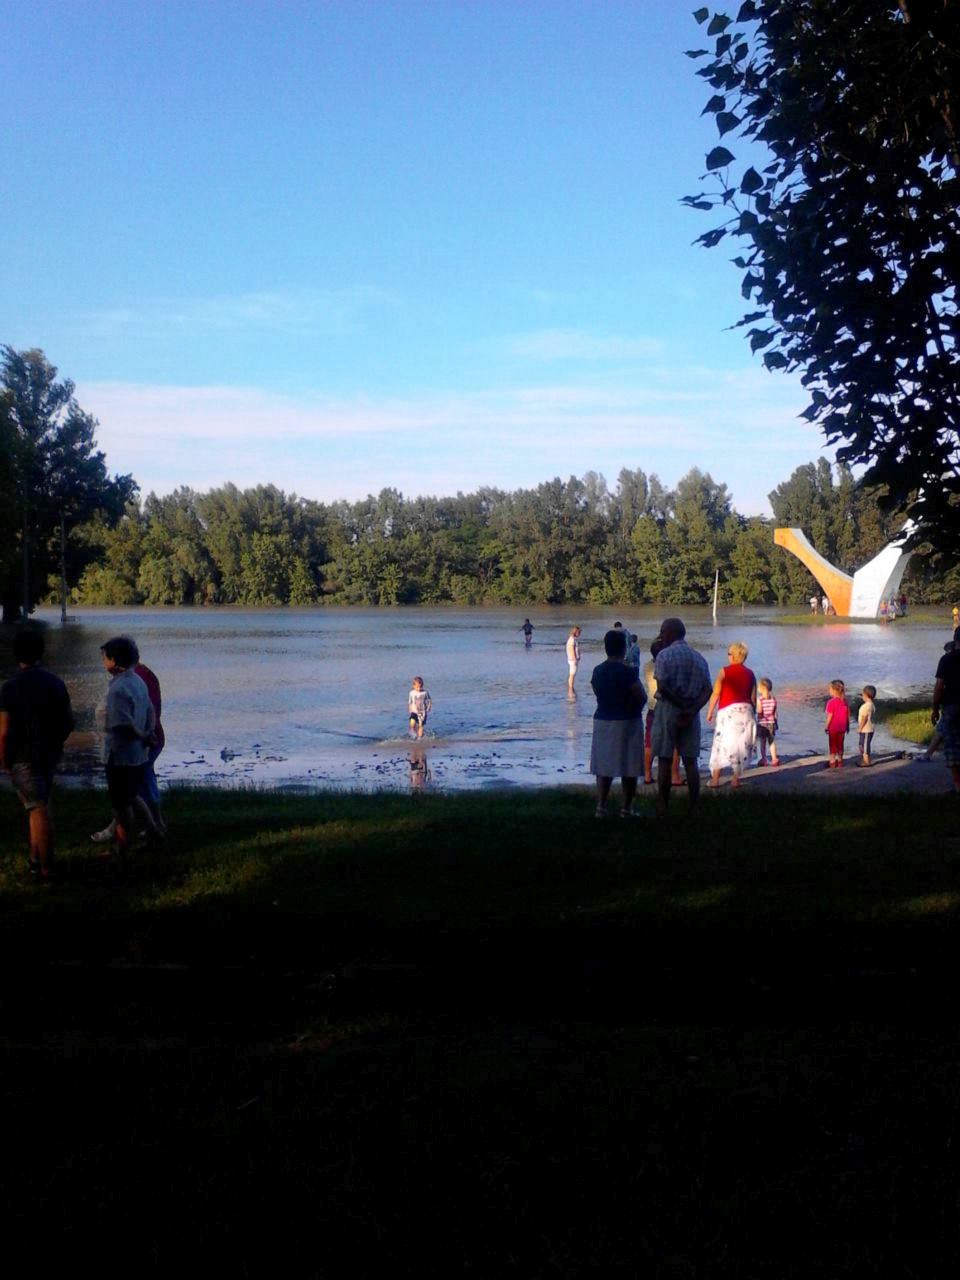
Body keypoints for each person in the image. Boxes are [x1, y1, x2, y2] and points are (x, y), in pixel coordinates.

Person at [0, 629, 74, 882]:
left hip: (23, 757)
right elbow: (67, 722)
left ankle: (46, 868)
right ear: (41, 653)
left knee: (38, 809)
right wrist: (56, 743)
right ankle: (35, 859)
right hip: (49, 754)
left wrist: (4, 760)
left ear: (16, 654)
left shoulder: (10, 687)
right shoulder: (55, 683)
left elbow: (4, 731)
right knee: (38, 805)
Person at [91, 638, 165, 843]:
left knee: (121, 802)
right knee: (131, 795)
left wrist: (143, 734)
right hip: (137, 751)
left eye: (104, 658)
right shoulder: (137, 680)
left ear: (114, 661)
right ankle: (154, 831)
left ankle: (125, 845)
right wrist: (148, 732)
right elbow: (150, 710)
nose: (103, 662)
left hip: (120, 752)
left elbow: (122, 725)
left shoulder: (119, 688)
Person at [650, 618, 712, 817]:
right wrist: (692, 709)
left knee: (665, 759)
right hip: (691, 714)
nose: (661, 635)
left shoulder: (664, 655)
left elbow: (662, 686)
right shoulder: (698, 658)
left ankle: (663, 806)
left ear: (671, 633)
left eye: (662, 631)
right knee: (691, 761)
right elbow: (708, 690)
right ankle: (694, 806)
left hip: (668, 710)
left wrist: (680, 704)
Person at [589, 628, 647, 818]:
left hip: (603, 720)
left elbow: (597, 692)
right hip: (627, 721)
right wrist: (635, 709)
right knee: (629, 766)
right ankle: (626, 808)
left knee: (604, 766)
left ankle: (601, 806)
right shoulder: (627, 672)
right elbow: (641, 696)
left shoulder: (597, 671)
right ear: (624, 648)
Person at [706, 640, 757, 788]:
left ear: (733, 656)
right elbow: (753, 697)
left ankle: (715, 780)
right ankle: (735, 780)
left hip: (728, 712)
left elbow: (716, 693)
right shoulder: (750, 674)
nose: (728, 656)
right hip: (746, 711)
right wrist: (754, 714)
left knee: (721, 744)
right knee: (740, 746)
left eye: (729, 653)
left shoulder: (724, 671)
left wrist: (710, 711)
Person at [931, 629, 960, 792]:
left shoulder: (946, 659)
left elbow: (939, 687)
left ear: (955, 640)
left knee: (952, 746)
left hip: (951, 706)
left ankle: (958, 786)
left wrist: (935, 709)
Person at [824, 679, 850, 768]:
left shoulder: (831, 702)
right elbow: (847, 715)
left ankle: (832, 762)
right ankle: (840, 761)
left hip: (833, 728)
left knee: (832, 745)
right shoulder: (845, 702)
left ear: (834, 690)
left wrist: (826, 726)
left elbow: (830, 716)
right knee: (840, 744)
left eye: (830, 689)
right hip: (842, 727)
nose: (829, 691)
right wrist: (847, 726)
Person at [755, 677, 780, 767]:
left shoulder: (760, 699)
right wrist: (775, 721)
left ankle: (764, 759)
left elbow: (760, 711)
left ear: (763, 688)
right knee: (771, 741)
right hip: (771, 723)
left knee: (763, 742)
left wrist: (756, 716)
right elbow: (775, 713)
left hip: (762, 724)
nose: (758, 689)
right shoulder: (773, 699)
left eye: (758, 687)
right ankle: (774, 759)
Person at [857, 685, 877, 767]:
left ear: (866, 695)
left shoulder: (867, 706)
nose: (862, 696)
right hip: (867, 729)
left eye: (862, 695)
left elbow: (864, 718)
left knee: (865, 745)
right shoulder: (872, 705)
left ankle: (867, 761)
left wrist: (860, 728)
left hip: (866, 729)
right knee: (861, 744)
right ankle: (864, 759)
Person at [565, 626, 581, 696]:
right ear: (575, 632)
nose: (579, 634)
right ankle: (571, 688)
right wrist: (574, 658)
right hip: (572, 660)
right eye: (579, 632)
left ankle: (571, 687)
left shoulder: (573, 639)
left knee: (572, 674)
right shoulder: (572, 640)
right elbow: (571, 649)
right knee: (572, 674)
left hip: (573, 659)